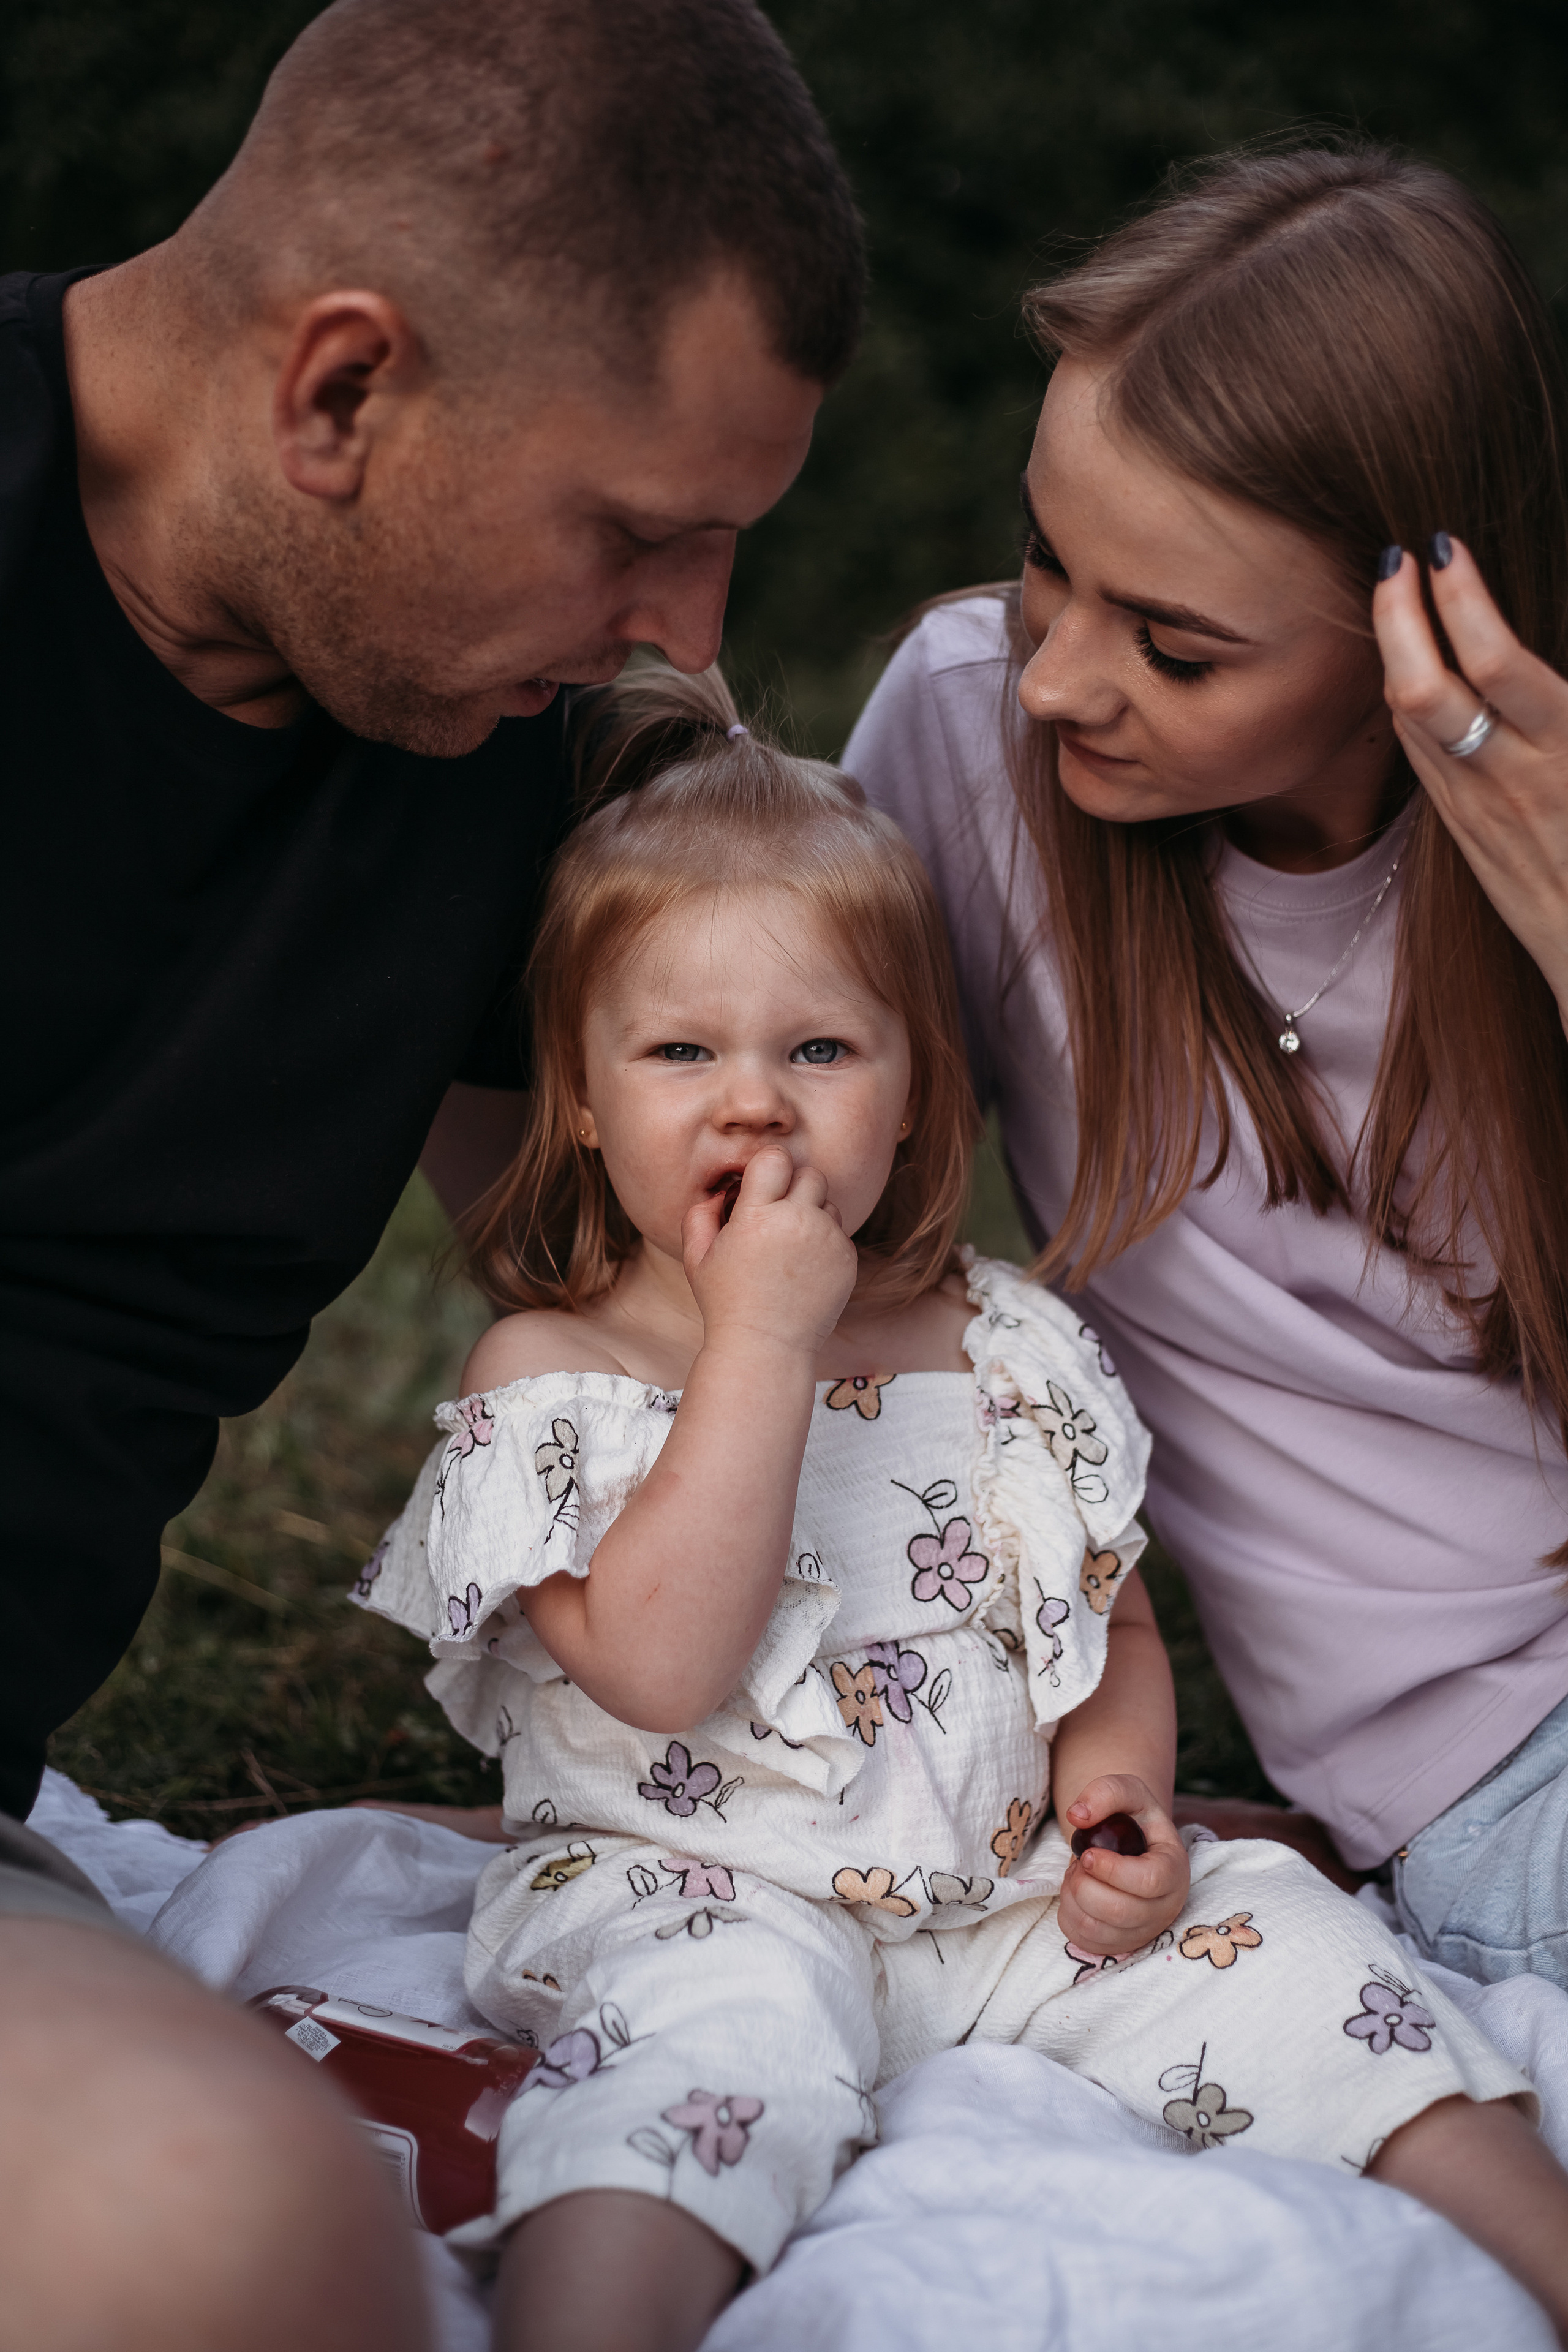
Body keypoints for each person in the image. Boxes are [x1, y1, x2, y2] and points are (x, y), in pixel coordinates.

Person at [357, 662, 1568, 2352]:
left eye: (822, 1047)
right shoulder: (549, 1376)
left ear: (918, 1087)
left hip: (1004, 1907)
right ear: (578, 1091)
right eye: (681, 1049)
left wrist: (1121, 1801)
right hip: (696, 1891)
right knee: (689, 2073)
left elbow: (1109, 1626)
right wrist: (763, 1341)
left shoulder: (1003, 1343)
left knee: (1288, 1944)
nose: (754, 1100)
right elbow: (657, 1665)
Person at [0, 2, 861, 2341]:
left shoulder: (497, 765)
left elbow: (634, 1294)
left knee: (253, 2232)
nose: (683, 640)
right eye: (638, 538)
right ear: (340, 392)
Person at [843, 142, 1568, 1994]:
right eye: (1043, 564)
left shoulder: (1531, 845)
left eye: (1172, 646)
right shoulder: (964, 740)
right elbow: (802, 1219)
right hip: (1506, 1757)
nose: (1060, 681)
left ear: (1422, 632)